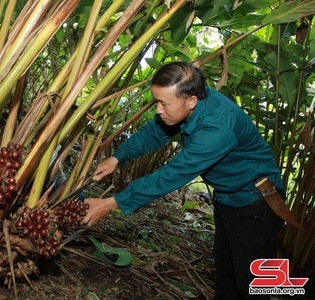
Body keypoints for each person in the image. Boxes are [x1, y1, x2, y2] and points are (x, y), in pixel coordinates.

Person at [82, 61, 284, 299]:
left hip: (255, 202)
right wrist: (117, 158)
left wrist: (111, 203)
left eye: (163, 103)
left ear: (191, 101)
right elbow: (153, 132)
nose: (158, 109)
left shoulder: (217, 130)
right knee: (226, 269)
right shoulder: (186, 107)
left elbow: (171, 175)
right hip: (229, 197)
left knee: (250, 282)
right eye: (156, 101)